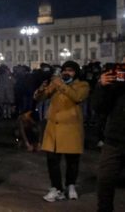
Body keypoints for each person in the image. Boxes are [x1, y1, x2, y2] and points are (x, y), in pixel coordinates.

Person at [34, 60, 89, 202]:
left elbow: (77, 97)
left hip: (71, 128)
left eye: (70, 70)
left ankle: (70, 185)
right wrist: (41, 90)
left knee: (72, 160)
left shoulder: (82, 85)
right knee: (52, 160)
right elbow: (40, 98)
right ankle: (56, 188)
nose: (66, 72)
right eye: (65, 70)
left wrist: (61, 85)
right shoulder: (56, 84)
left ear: (76, 72)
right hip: (53, 129)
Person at [93, 64, 125, 211]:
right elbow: (100, 108)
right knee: (105, 180)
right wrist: (102, 86)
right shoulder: (117, 84)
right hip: (114, 139)